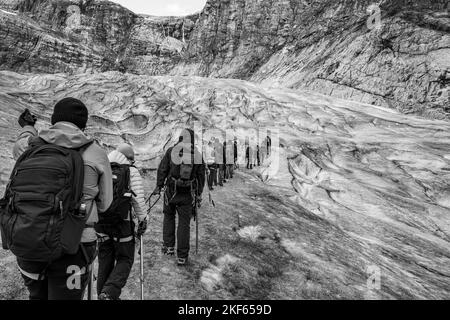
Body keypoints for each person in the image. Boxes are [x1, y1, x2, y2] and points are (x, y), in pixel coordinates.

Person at [8, 99, 113, 300]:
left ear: (54, 120)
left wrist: (29, 126)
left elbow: (20, 144)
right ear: (83, 125)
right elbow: (105, 203)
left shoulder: (31, 146)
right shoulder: (96, 153)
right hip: (74, 247)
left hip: (30, 242)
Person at [95, 144, 148, 301]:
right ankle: (109, 294)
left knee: (105, 260)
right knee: (125, 258)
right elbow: (137, 200)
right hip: (122, 224)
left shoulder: (101, 167)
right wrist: (143, 220)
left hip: (101, 223)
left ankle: (103, 295)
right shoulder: (131, 171)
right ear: (129, 158)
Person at [152, 129, 206, 266]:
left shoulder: (172, 151)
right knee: (184, 224)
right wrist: (198, 194)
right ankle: (182, 256)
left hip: (171, 191)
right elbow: (201, 176)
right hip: (187, 194)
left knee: (168, 217)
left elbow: (163, 168)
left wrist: (159, 186)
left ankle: (169, 247)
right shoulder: (197, 155)